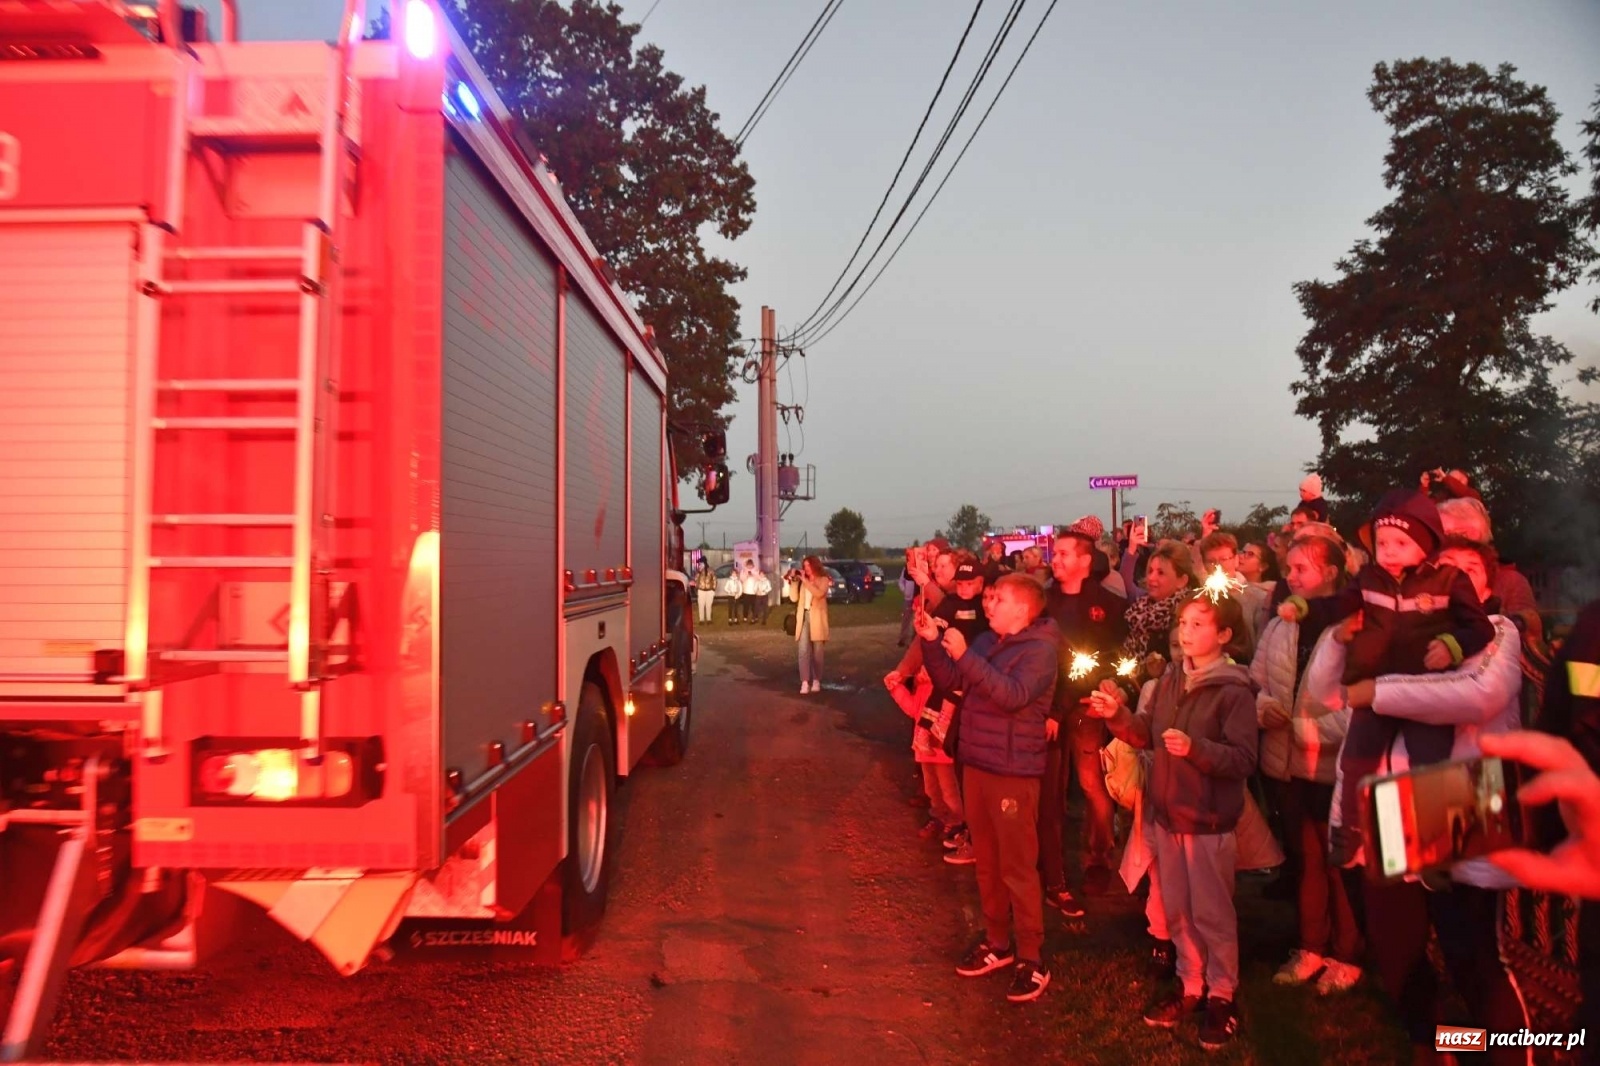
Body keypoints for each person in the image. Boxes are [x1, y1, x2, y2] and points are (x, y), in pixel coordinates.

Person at [1326, 597, 1530, 1066]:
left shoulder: (1497, 631)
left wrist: (1378, 691)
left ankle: (1507, 1056)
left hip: (1459, 795)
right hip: (1390, 798)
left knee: (1471, 954)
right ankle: (1437, 1046)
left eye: (1464, 573)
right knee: (1399, 948)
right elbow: (1330, 694)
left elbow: (1475, 698)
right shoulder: (1411, 631)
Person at [1281, 490, 1495, 861]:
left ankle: (1438, 844)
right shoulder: (1369, 581)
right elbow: (1337, 609)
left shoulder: (1460, 595)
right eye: (1382, 543)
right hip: (1374, 696)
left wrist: (1452, 645)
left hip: (1429, 703)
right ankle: (1349, 831)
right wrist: (1309, 612)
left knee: (1430, 761)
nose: (1390, 551)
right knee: (1357, 759)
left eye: (1401, 542)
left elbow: (1479, 653)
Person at [1088, 591, 1258, 1050]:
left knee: (1212, 912)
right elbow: (1145, 733)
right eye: (1183, 622)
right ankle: (1190, 985)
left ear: (1223, 635)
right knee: (1177, 908)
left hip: (1206, 820)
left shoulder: (1233, 691)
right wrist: (1118, 716)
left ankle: (1222, 995)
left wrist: (1197, 750)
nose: (1186, 631)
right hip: (1167, 816)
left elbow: (1243, 758)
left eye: (1199, 624)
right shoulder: (1168, 681)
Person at [919, 574, 1059, 1004]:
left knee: (1017, 865)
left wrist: (967, 657)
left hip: (1013, 771)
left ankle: (1032, 956)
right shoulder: (986, 642)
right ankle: (998, 943)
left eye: (999, 600)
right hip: (977, 763)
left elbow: (1011, 695)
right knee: (987, 862)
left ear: (1023, 610)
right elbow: (950, 679)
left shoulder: (1039, 651)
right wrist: (930, 641)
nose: (990, 604)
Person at [1250, 533, 1362, 995]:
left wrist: (1308, 727)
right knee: (1305, 858)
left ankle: (1347, 953)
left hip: (1334, 765)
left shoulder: (1355, 628)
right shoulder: (1281, 626)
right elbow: (1257, 679)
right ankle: (1310, 946)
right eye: (1288, 568)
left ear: (1331, 573)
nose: (1289, 577)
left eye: (1301, 569)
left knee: (1338, 863)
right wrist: (1262, 707)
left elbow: (1361, 697)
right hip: (1287, 763)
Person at [1040, 517, 1128, 906]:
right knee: (1051, 791)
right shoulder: (1042, 601)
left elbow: (1118, 657)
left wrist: (1107, 692)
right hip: (1045, 708)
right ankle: (1051, 862)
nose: (1053, 559)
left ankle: (1098, 859)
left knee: (1093, 786)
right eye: (1054, 553)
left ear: (1083, 559)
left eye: (1061, 554)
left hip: (1086, 710)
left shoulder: (1107, 606)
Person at [887, 666, 964, 845]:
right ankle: (938, 816)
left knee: (949, 788)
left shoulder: (946, 689)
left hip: (940, 747)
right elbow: (913, 708)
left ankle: (955, 821)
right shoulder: (922, 688)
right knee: (931, 788)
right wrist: (896, 689)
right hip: (923, 748)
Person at [1436, 496, 1538, 618]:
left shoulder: (1509, 582)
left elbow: (1527, 631)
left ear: (1474, 534)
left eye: (1449, 533)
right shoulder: (1425, 578)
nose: (1441, 539)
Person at [1122, 539, 1200, 666]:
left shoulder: (1185, 617)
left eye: (1161, 573)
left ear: (1181, 580)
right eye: (1150, 571)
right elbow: (1125, 584)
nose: (1151, 578)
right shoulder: (1140, 606)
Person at [1198, 530, 1266, 650]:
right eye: (1211, 561)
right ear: (1204, 564)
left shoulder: (1256, 598)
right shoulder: (1198, 599)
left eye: (1224, 559)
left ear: (1236, 560)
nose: (1218, 566)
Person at [785, 557, 831, 693]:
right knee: (803, 650)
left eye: (808, 565)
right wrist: (794, 581)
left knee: (817, 652)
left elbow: (819, 594)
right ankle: (805, 681)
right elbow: (793, 598)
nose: (806, 569)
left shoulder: (823, 579)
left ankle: (816, 679)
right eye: (804, 566)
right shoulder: (802, 582)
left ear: (815, 566)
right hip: (803, 616)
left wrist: (805, 581)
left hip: (817, 617)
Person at [694, 559, 717, 624]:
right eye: (699, 564)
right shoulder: (699, 572)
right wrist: (699, 572)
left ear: (704, 564)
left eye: (701, 564)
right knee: (701, 605)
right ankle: (701, 619)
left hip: (709, 590)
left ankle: (709, 619)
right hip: (701, 590)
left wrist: (713, 589)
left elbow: (714, 580)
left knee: (708, 605)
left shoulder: (711, 571)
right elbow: (696, 579)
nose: (699, 565)